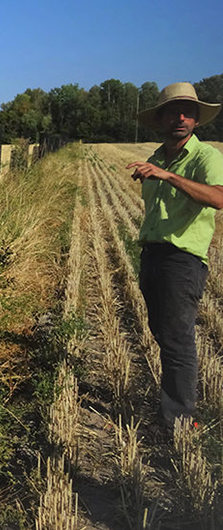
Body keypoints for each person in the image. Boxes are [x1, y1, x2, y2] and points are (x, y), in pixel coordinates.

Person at [126, 82, 223, 433]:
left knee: (178, 337)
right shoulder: (154, 158)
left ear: (197, 120)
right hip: (153, 254)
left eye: (188, 112)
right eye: (173, 111)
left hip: (183, 259)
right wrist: (157, 172)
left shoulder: (206, 157)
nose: (180, 118)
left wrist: (168, 176)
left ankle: (179, 421)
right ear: (161, 119)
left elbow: (217, 197)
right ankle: (175, 405)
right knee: (162, 332)